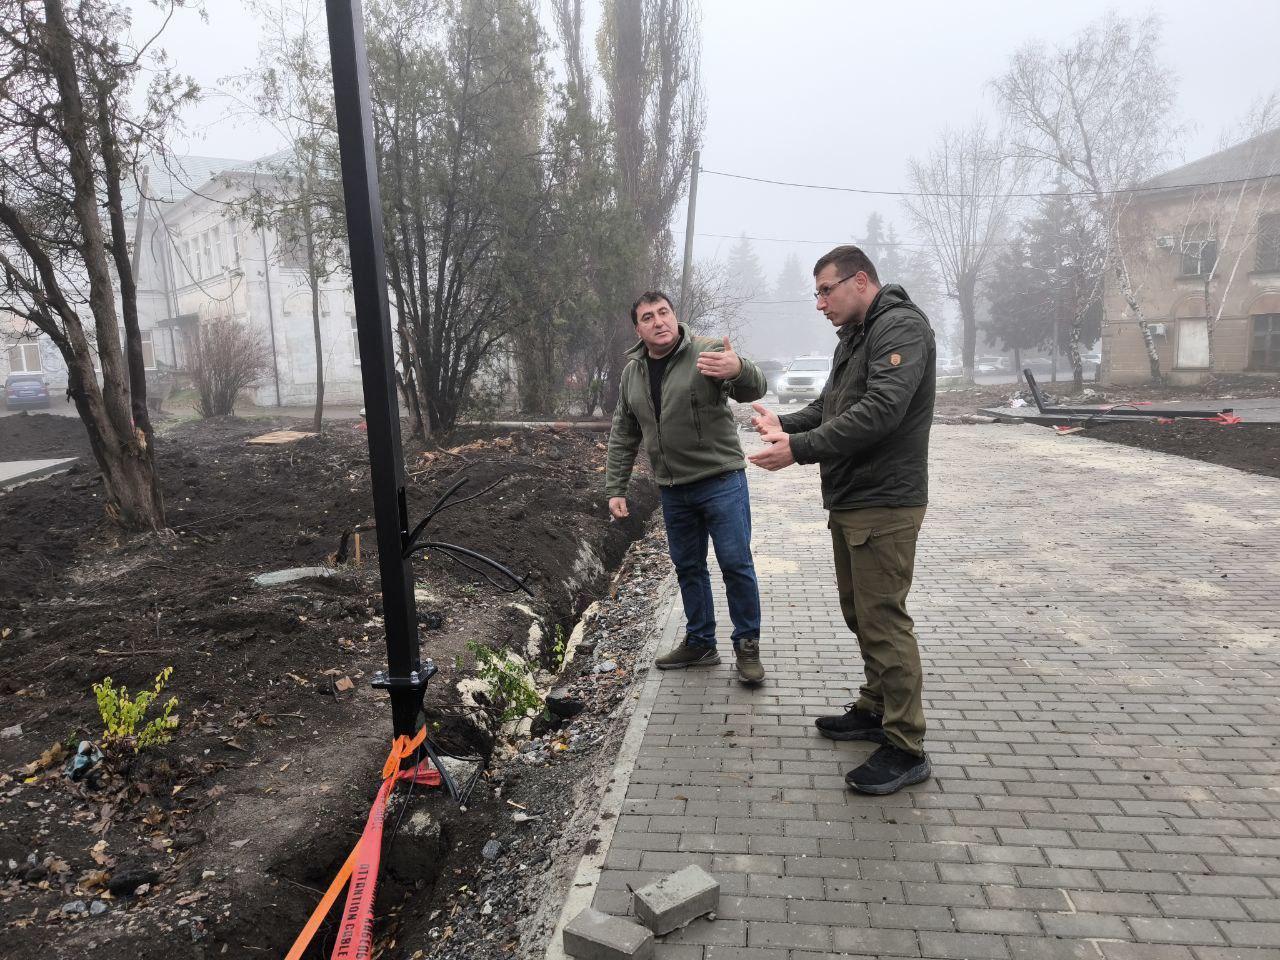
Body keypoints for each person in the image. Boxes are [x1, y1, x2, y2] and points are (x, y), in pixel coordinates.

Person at [748, 245, 936, 795]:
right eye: (817, 292)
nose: (820, 303)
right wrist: (781, 423)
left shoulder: (898, 328)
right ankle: (876, 708)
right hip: (854, 498)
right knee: (860, 613)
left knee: (884, 620)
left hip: (886, 499)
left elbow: (881, 412)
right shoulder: (855, 338)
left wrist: (799, 449)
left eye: (826, 290)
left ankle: (905, 745)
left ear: (860, 281)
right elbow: (832, 407)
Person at [606, 290, 768, 685]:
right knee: (689, 568)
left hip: (721, 482)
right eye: (648, 317)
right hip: (674, 490)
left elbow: (755, 388)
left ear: (675, 316)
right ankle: (700, 642)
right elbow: (623, 433)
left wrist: (738, 368)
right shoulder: (633, 373)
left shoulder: (708, 352)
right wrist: (616, 487)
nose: (659, 321)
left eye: (664, 312)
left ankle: (747, 646)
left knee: (735, 564)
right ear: (637, 328)